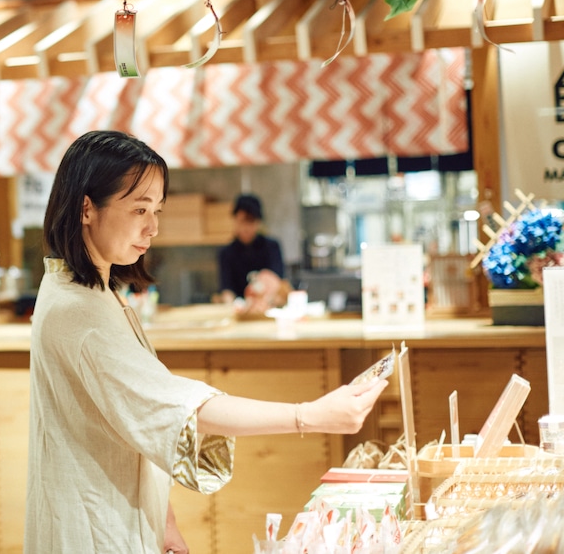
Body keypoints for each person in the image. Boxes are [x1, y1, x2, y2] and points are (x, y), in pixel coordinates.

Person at [27, 130, 386, 553]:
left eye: (157, 209)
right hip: (96, 528)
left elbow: (135, 417)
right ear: (87, 208)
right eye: (140, 209)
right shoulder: (78, 310)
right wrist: (309, 415)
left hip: (118, 512)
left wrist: (164, 519)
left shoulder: (93, 292)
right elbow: (180, 406)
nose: (153, 227)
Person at [217, 193, 287, 314]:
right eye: (241, 221)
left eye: (250, 221)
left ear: (258, 222)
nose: (245, 227)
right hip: (240, 313)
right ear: (235, 220)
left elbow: (278, 284)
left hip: (268, 310)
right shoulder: (226, 253)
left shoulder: (271, 247)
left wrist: (267, 301)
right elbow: (227, 290)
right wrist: (231, 306)